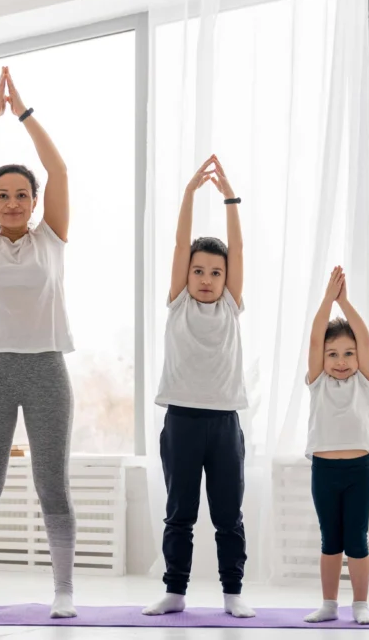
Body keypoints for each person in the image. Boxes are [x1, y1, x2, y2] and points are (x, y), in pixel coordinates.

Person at [0, 66, 76, 619]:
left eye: (22, 194)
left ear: (34, 200)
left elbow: (59, 168)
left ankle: (64, 593)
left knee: (53, 484)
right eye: (2, 195)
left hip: (47, 368)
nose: (12, 202)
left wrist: (22, 113)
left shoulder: (51, 239)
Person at [143, 155, 255, 619]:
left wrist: (229, 197)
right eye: (198, 271)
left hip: (225, 422)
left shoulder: (230, 304)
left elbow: (239, 249)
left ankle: (233, 593)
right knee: (180, 514)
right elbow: (178, 242)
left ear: (226, 280)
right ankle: (175, 591)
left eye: (215, 272)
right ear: (186, 276)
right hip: (183, 420)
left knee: (228, 516)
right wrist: (189, 194)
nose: (206, 279)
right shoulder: (178, 303)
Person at [303, 266, 369, 625]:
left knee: (357, 540)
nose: (341, 361)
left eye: (348, 354)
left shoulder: (363, 382)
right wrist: (326, 301)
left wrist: (344, 303)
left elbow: (363, 338)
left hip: (358, 471)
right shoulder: (317, 382)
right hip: (325, 471)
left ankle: (360, 604)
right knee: (330, 539)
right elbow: (317, 337)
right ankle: (329, 604)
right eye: (333, 354)